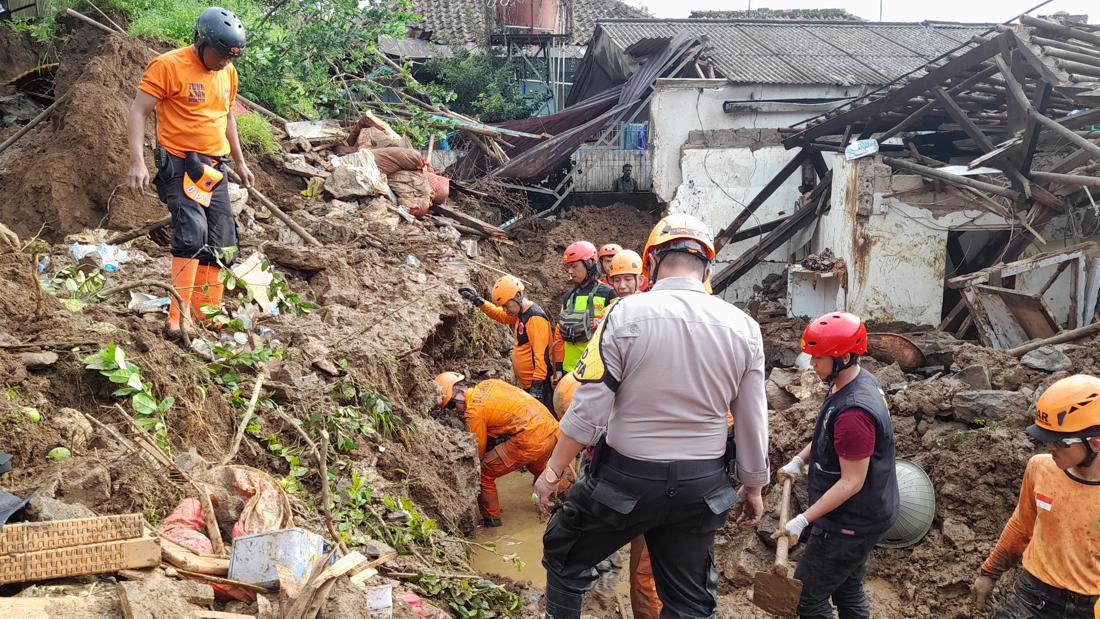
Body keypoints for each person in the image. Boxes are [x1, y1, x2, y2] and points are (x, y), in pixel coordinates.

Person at [534, 213, 769, 619]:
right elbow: (751, 418)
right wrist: (753, 485)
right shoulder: (744, 327)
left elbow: (589, 410)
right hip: (701, 487)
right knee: (691, 604)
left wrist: (553, 472)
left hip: (626, 483)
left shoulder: (624, 315)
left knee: (563, 554)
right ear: (707, 268)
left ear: (651, 264)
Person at [126, 7, 254, 336]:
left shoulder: (228, 73)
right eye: (221, 55)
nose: (225, 62)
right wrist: (137, 161)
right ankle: (178, 315)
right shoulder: (168, 66)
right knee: (191, 233)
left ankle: (206, 312)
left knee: (222, 239)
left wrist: (240, 162)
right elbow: (139, 111)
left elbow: (227, 118)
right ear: (200, 41)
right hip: (180, 162)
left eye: (231, 57)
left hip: (215, 166)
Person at [773, 311, 899, 619]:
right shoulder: (851, 381)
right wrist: (798, 460)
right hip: (868, 512)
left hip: (850, 523)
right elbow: (829, 435)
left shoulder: (855, 412)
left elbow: (851, 481)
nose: (811, 363)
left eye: (818, 357)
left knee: (807, 599)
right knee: (847, 587)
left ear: (842, 357)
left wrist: (802, 520)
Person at [972, 374, 1100, 618]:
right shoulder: (1040, 469)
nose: (1049, 447)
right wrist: (989, 573)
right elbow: (1022, 525)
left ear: (1095, 443)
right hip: (1035, 597)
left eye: (1059, 442)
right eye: (1045, 439)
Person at [435, 372, 560, 528]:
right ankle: (567, 494)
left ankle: (492, 522)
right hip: (551, 428)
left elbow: (478, 452)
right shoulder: (490, 383)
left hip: (530, 438)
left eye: (451, 405)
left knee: (483, 474)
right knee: (538, 467)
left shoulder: (473, 412)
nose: (455, 410)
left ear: (460, 393)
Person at [460, 276, 554, 409]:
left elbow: (541, 357)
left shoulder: (534, 318)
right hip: (529, 385)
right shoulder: (521, 314)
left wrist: (536, 388)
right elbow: (501, 316)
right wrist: (480, 302)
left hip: (541, 388)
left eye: (506, 305)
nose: (505, 309)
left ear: (518, 295)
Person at [552, 241, 615, 377]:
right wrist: (557, 368)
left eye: (574, 266)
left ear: (590, 263)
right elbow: (559, 334)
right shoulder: (569, 296)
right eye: (568, 267)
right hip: (569, 369)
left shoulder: (608, 294)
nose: (570, 271)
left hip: (596, 370)